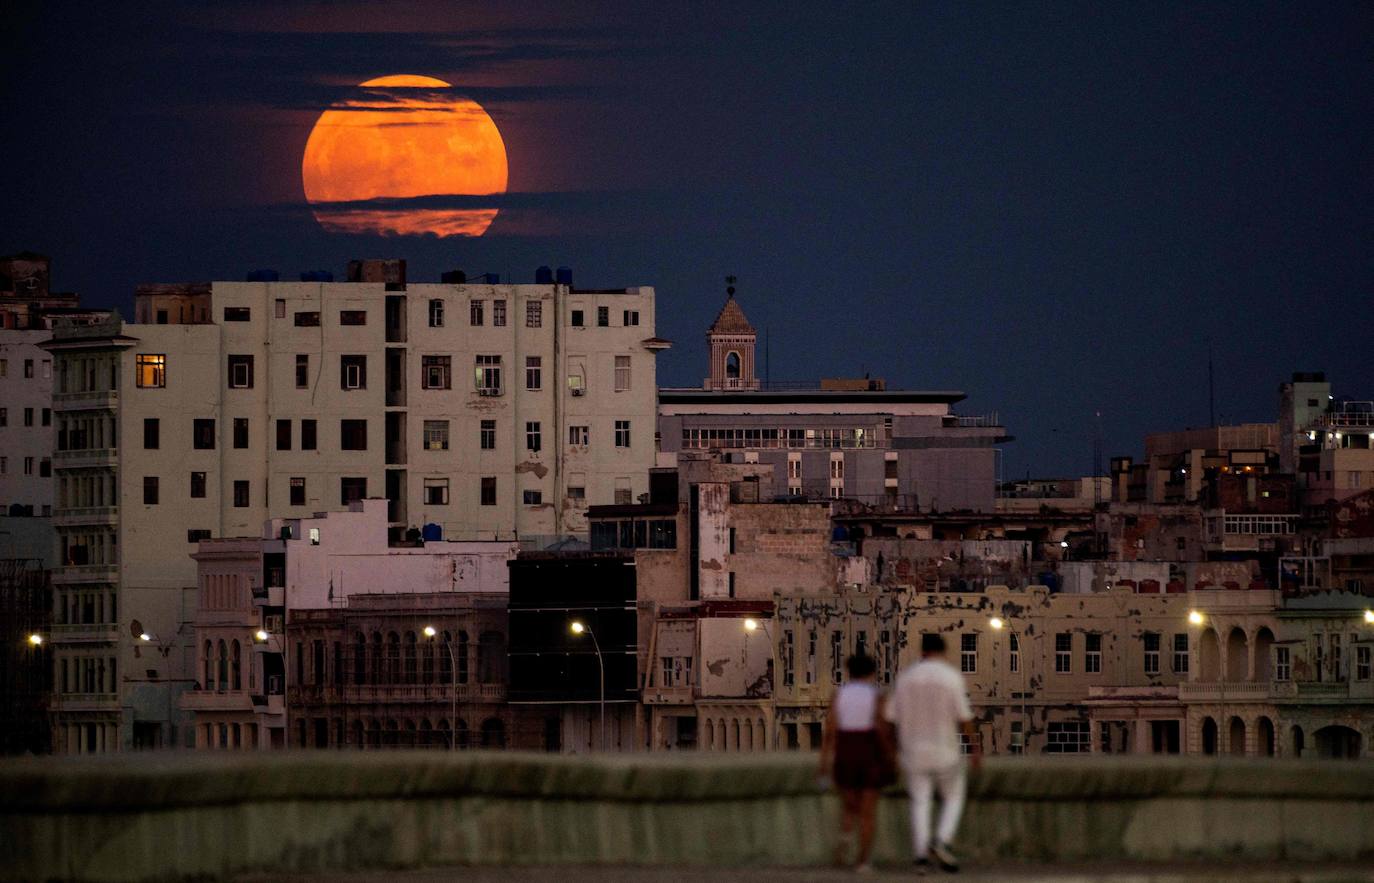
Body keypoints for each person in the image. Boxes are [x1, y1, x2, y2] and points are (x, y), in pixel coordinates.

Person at [884, 633, 979, 874]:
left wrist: (892, 750)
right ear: (944, 651)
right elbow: (964, 718)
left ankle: (920, 857)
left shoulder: (906, 678)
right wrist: (975, 748)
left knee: (920, 801)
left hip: (913, 751)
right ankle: (942, 840)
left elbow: (891, 719)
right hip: (945, 750)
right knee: (954, 796)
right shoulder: (951, 677)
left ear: (922, 651)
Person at [819, 653, 893, 873]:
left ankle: (844, 844)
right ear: (872, 673)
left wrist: (823, 763)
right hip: (869, 752)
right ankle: (863, 860)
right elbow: (881, 728)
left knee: (849, 807)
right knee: (868, 811)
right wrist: (890, 755)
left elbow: (830, 731)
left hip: (845, 751)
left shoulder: (839, 695)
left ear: (849, 672)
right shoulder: (876, 695)